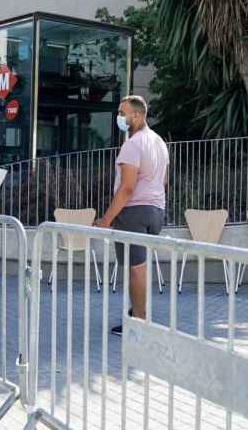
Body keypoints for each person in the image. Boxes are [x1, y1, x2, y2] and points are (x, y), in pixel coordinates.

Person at [94, 95, 169, 337]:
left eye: (121, 112)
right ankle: (136, 313)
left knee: (135, 269)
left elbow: (126, 188)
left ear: (136, 115)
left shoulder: (133, 144)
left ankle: (139, 322)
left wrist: (106, 220)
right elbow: (164, 182)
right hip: (157, 210)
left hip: (134, 212)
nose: (119, 117)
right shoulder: (159, 142)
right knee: (140, 266)